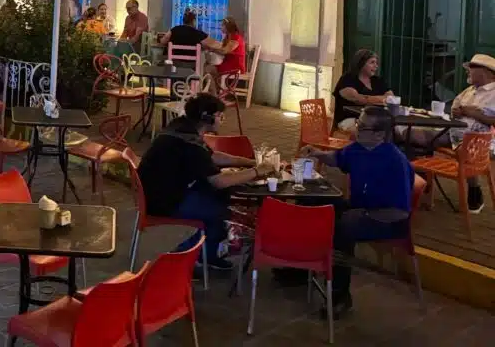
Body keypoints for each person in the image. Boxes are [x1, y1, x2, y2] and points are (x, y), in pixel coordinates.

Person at [137, 93, 274, 271]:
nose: (222, 120)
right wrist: (256, 172)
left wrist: (251, 163)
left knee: (219, 198)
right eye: (219, 116)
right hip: (164, 201)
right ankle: (179, 258)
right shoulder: (188, 142)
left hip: (161, 191)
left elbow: (213, 157)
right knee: (220, 211)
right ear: (207, 117)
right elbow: (219, 181)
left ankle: (206, 255)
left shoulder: (182, 129)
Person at [300, 106, 414, 317]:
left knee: (343, 228)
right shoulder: (359, 147)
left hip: (386, 220)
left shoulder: (395, 162)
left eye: (361, 127)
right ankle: (298, 267)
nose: (356, 129)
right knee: (314, 200)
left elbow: (400, 212)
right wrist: (317, 153)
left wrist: (366, 215)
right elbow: (338, 158)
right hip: (361, 208)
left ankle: (340, 296)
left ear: (379, 134)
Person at [399, 54, 495, 213]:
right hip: (452, 133)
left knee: (412, 137)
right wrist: (456, 111)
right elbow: (455, 108)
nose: (467, 72)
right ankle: (420, 181)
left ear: (486, 72)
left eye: (472, 68)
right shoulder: (470, 91)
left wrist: (474, 113)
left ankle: (418, 182)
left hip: (474, 141)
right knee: (408, 135)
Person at [331, 49, 392, 133]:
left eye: (376, 63)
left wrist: (368, 99)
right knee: (373, 131)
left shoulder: (377, 80)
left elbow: (391, 98)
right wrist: (383, 99)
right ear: (361, 63)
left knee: (396, 129)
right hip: (350, 119)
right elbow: (358, 99)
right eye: (372, 62)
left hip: (376, 119)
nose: (376, 66)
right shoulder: (347, 79)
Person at [204, 17, 247, 92]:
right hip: (228, 64)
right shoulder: (228, 37)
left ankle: (214, 93)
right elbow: (222, 47)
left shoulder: (236, 38)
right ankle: (216, 91)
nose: (221, 27)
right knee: (207, 67)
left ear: (228, 27)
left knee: (207, 69)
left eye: (222, 25)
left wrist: (212, 49)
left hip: (235, 66)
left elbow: (224, 51)